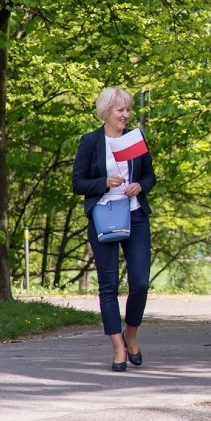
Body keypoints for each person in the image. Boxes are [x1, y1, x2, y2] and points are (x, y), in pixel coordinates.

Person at [72, 88, 156, 372]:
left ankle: (131, 333)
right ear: (106, 111)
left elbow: (149, 175)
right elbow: (78, 183)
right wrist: (105, 183)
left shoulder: (135, 138)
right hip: (104, 218)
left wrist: (140, 185)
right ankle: (118, 346)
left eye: (128, 110)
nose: (126, 115)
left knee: (140, 283)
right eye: (120, 110)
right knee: (108, 286)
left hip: (135, 215)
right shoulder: (90, 142)